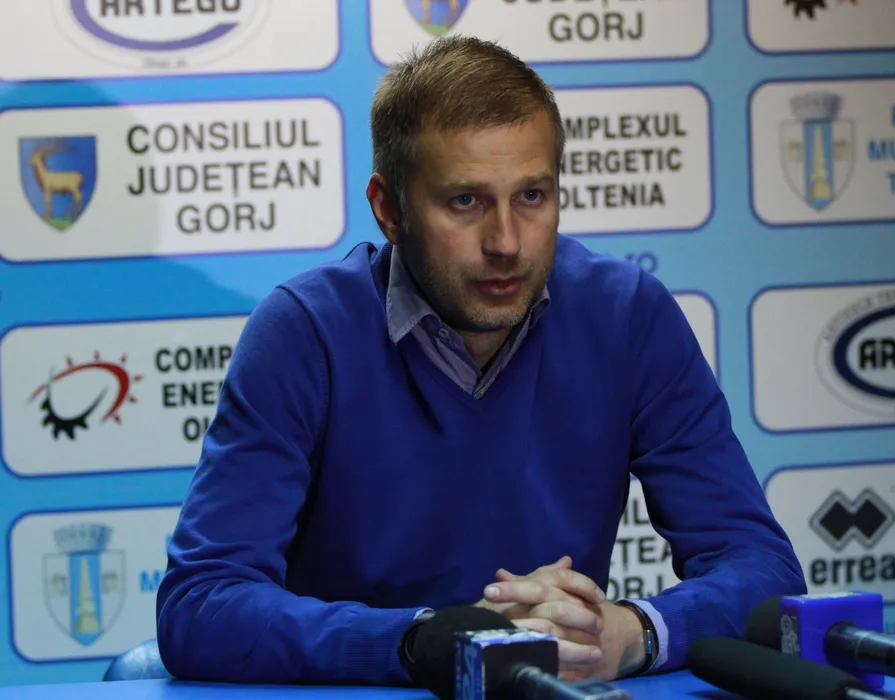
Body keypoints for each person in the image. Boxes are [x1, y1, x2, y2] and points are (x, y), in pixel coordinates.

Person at [155, 35, 806, 687]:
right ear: (389, 209)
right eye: (465, 201)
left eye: (532, 196)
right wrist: (429, 641)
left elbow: (764, 571)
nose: (506, 242)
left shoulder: (628, 315)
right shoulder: (304, 331)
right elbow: (202, 603)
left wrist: (633, 632)